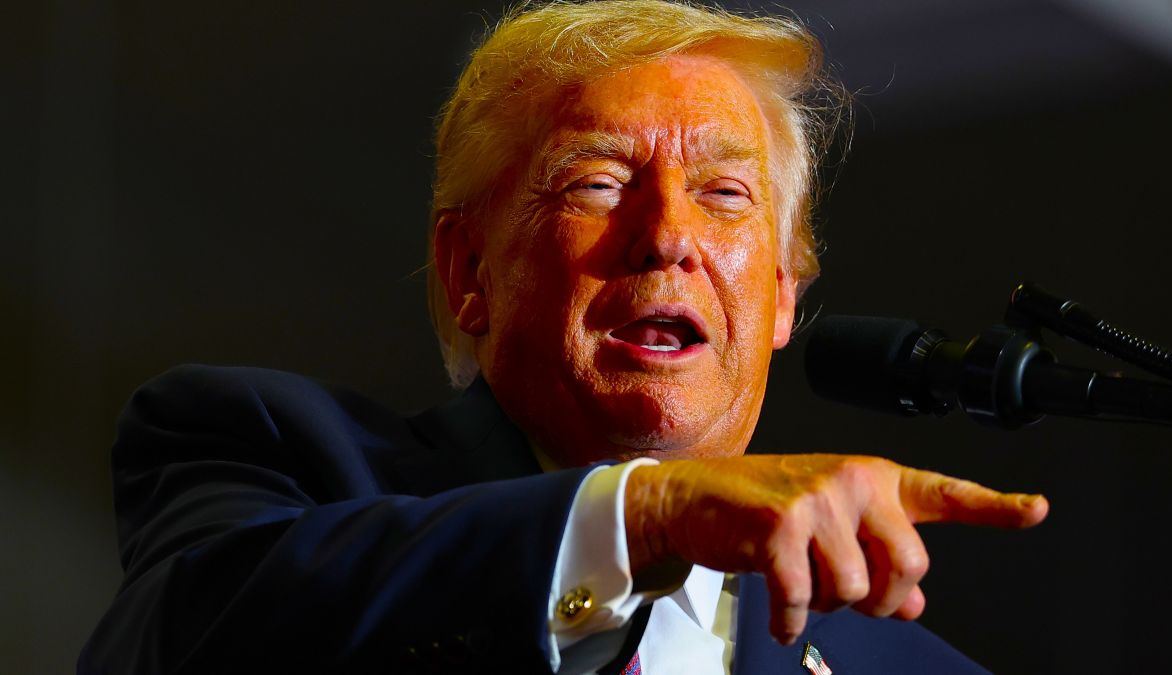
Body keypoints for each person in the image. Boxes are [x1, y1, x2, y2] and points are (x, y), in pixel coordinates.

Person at [79, 1, 1048, 673]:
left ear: (786, 295)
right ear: (469, 274)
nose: (668, 235)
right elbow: (174, 647)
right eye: (597, 182)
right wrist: (641, 514)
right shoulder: (272, 462)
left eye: (724, 196)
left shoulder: (907, 665)